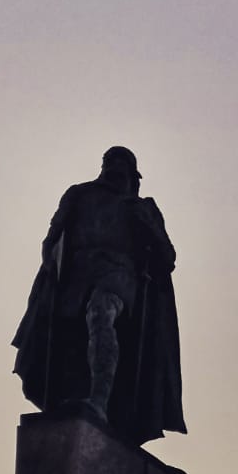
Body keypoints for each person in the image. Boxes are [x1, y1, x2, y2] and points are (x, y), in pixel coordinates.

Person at [12, 146, 186, 444]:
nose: (114, 168)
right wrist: (51, 274)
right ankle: (76, 399)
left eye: (121, 164)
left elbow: (167, 257)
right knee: (72, 344)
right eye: (110, 162)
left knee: (100, 314)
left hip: (119, 275)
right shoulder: (79, 195)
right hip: (77, 276)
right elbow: (52, 240)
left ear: (132, 174)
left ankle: (99, 401)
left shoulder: (142, 208)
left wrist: (147, 225)